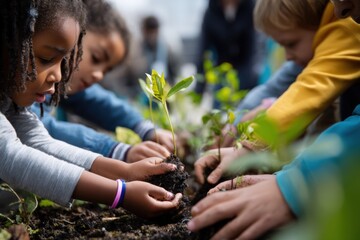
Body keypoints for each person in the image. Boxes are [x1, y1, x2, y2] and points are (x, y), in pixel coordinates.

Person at [187, 0, 360, 239]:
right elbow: (276, 86)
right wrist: (238, 124)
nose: (288, 56)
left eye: (291, 44)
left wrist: (252, 145)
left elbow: (308, 90)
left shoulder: (346, 27)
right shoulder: (335, 23)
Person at [0, 0, 181, 219]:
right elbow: (12, 156)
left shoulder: (11, 100)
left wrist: (126, 172)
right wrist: (120, 193)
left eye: (64, 62)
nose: (58, 76)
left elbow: (39, 141)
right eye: (47, 58)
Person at [30, 0, 176, 162]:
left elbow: (96, 101)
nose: (99, 76)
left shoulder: (60, 84)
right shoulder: (25, 85)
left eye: (106, 71)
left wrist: (144, 128)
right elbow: (38, 128)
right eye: (96, 58)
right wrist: (115, 150)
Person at [195, 0, 259, 108]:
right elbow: (203, 50)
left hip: (245, 68)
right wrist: (199, 89)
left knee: (247, 108)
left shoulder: (249, 9)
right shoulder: (211, 13)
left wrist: (251, 75)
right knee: (219, 110)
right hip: (222, 69)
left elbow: (253, 46)